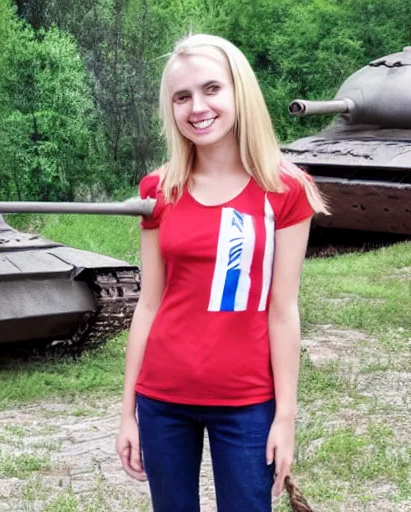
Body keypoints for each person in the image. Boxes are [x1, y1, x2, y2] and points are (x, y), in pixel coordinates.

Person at [116, 33, 328, 512]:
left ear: (239, 92)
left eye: (212, 89)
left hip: (248, 405)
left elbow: (283, 309)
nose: (197, 107)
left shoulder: (286, 188)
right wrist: (128, 413)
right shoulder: (160, 188)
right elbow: (148, 303)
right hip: (162, 400)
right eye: (182, 96)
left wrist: (286, 417)